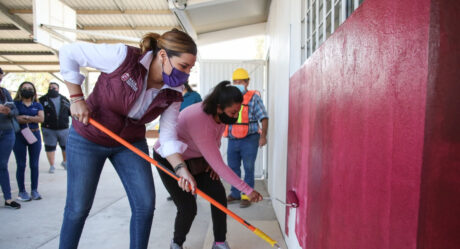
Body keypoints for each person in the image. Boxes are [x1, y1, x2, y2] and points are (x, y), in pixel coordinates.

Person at [58, 29, 198, 249]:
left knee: (145, 204)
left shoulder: (175, 90)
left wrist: (181, 168)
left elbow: (168, 134)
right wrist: (76, 96)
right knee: (78, 208)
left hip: (129, 142)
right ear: (163, 55)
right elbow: (69, 52)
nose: (187, 74)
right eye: (183, 66)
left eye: (190, 68)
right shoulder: (122, 57)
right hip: (89, 136)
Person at [153, 81, 263, 249]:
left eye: (238, 112)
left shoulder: (219, 115)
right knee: (188, 207)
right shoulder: (200, 119)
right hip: (170, 158)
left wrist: (211, 162)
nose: (236, 116)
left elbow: (215, 143)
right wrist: (247, 189)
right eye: (233, 112)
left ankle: (219, 242)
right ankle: (176, 244)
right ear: (219, 107)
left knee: (218, 194)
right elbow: (220, 166)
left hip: (196, 158)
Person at [225, 68, 268, 208]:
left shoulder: (254, 98)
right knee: (233, 168)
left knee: (248, 167)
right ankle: (235, 193)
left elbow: (264, 117)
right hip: (232, 139)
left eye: (240, 82)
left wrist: (263, 137)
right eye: (235, 82)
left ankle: (246, 195)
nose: (238, 84)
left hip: (250, 139)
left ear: (247, 82)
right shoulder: (229, 98)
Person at [13, 81, 44, 201]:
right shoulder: (15, 104)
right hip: (19, 136)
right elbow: (15, 118)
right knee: (21, 164)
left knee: (34, 164)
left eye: (30, 88)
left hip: (34, 134)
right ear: (20, 90)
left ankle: (34, 190)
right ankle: (22, 191)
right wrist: (32, 118)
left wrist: (25, 117)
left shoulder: (38, 104)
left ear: (34, 91)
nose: (27, 90)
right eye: (25, 88)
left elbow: (41, 118)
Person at [0, 68, 21, 209]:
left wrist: (8, 111)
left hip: (7, 132)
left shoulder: (4, 92)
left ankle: (8, 198)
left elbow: (15, 111)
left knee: (2, 165)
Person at [39, 82, 71, 173]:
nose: (52, 89)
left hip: (63, 128)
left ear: (58, 89)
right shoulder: (42, 100)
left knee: (65, 146)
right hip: (48, 128)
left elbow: (70, 111)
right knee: (50, 147)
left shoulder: (64, 99)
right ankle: (52, 165)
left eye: (54, 87)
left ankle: (65, 162)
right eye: (50, 87)